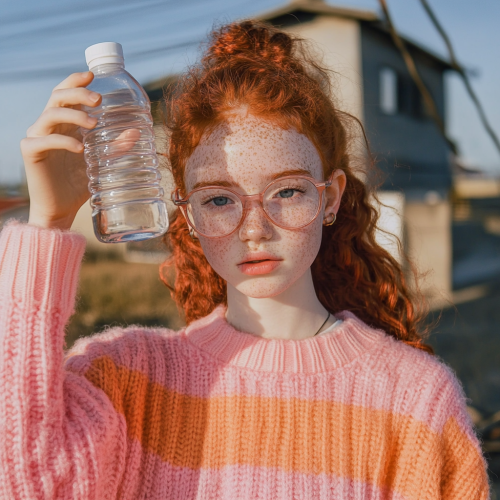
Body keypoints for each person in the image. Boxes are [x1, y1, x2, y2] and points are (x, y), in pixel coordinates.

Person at [0, 20, 490, 500]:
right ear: (186, 210)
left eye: (287, 191)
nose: (255, 228)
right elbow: (25, 485)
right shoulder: (128, 378)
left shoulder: (414, 399)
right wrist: (48, 222)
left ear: (331, 197)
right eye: (218, 200)